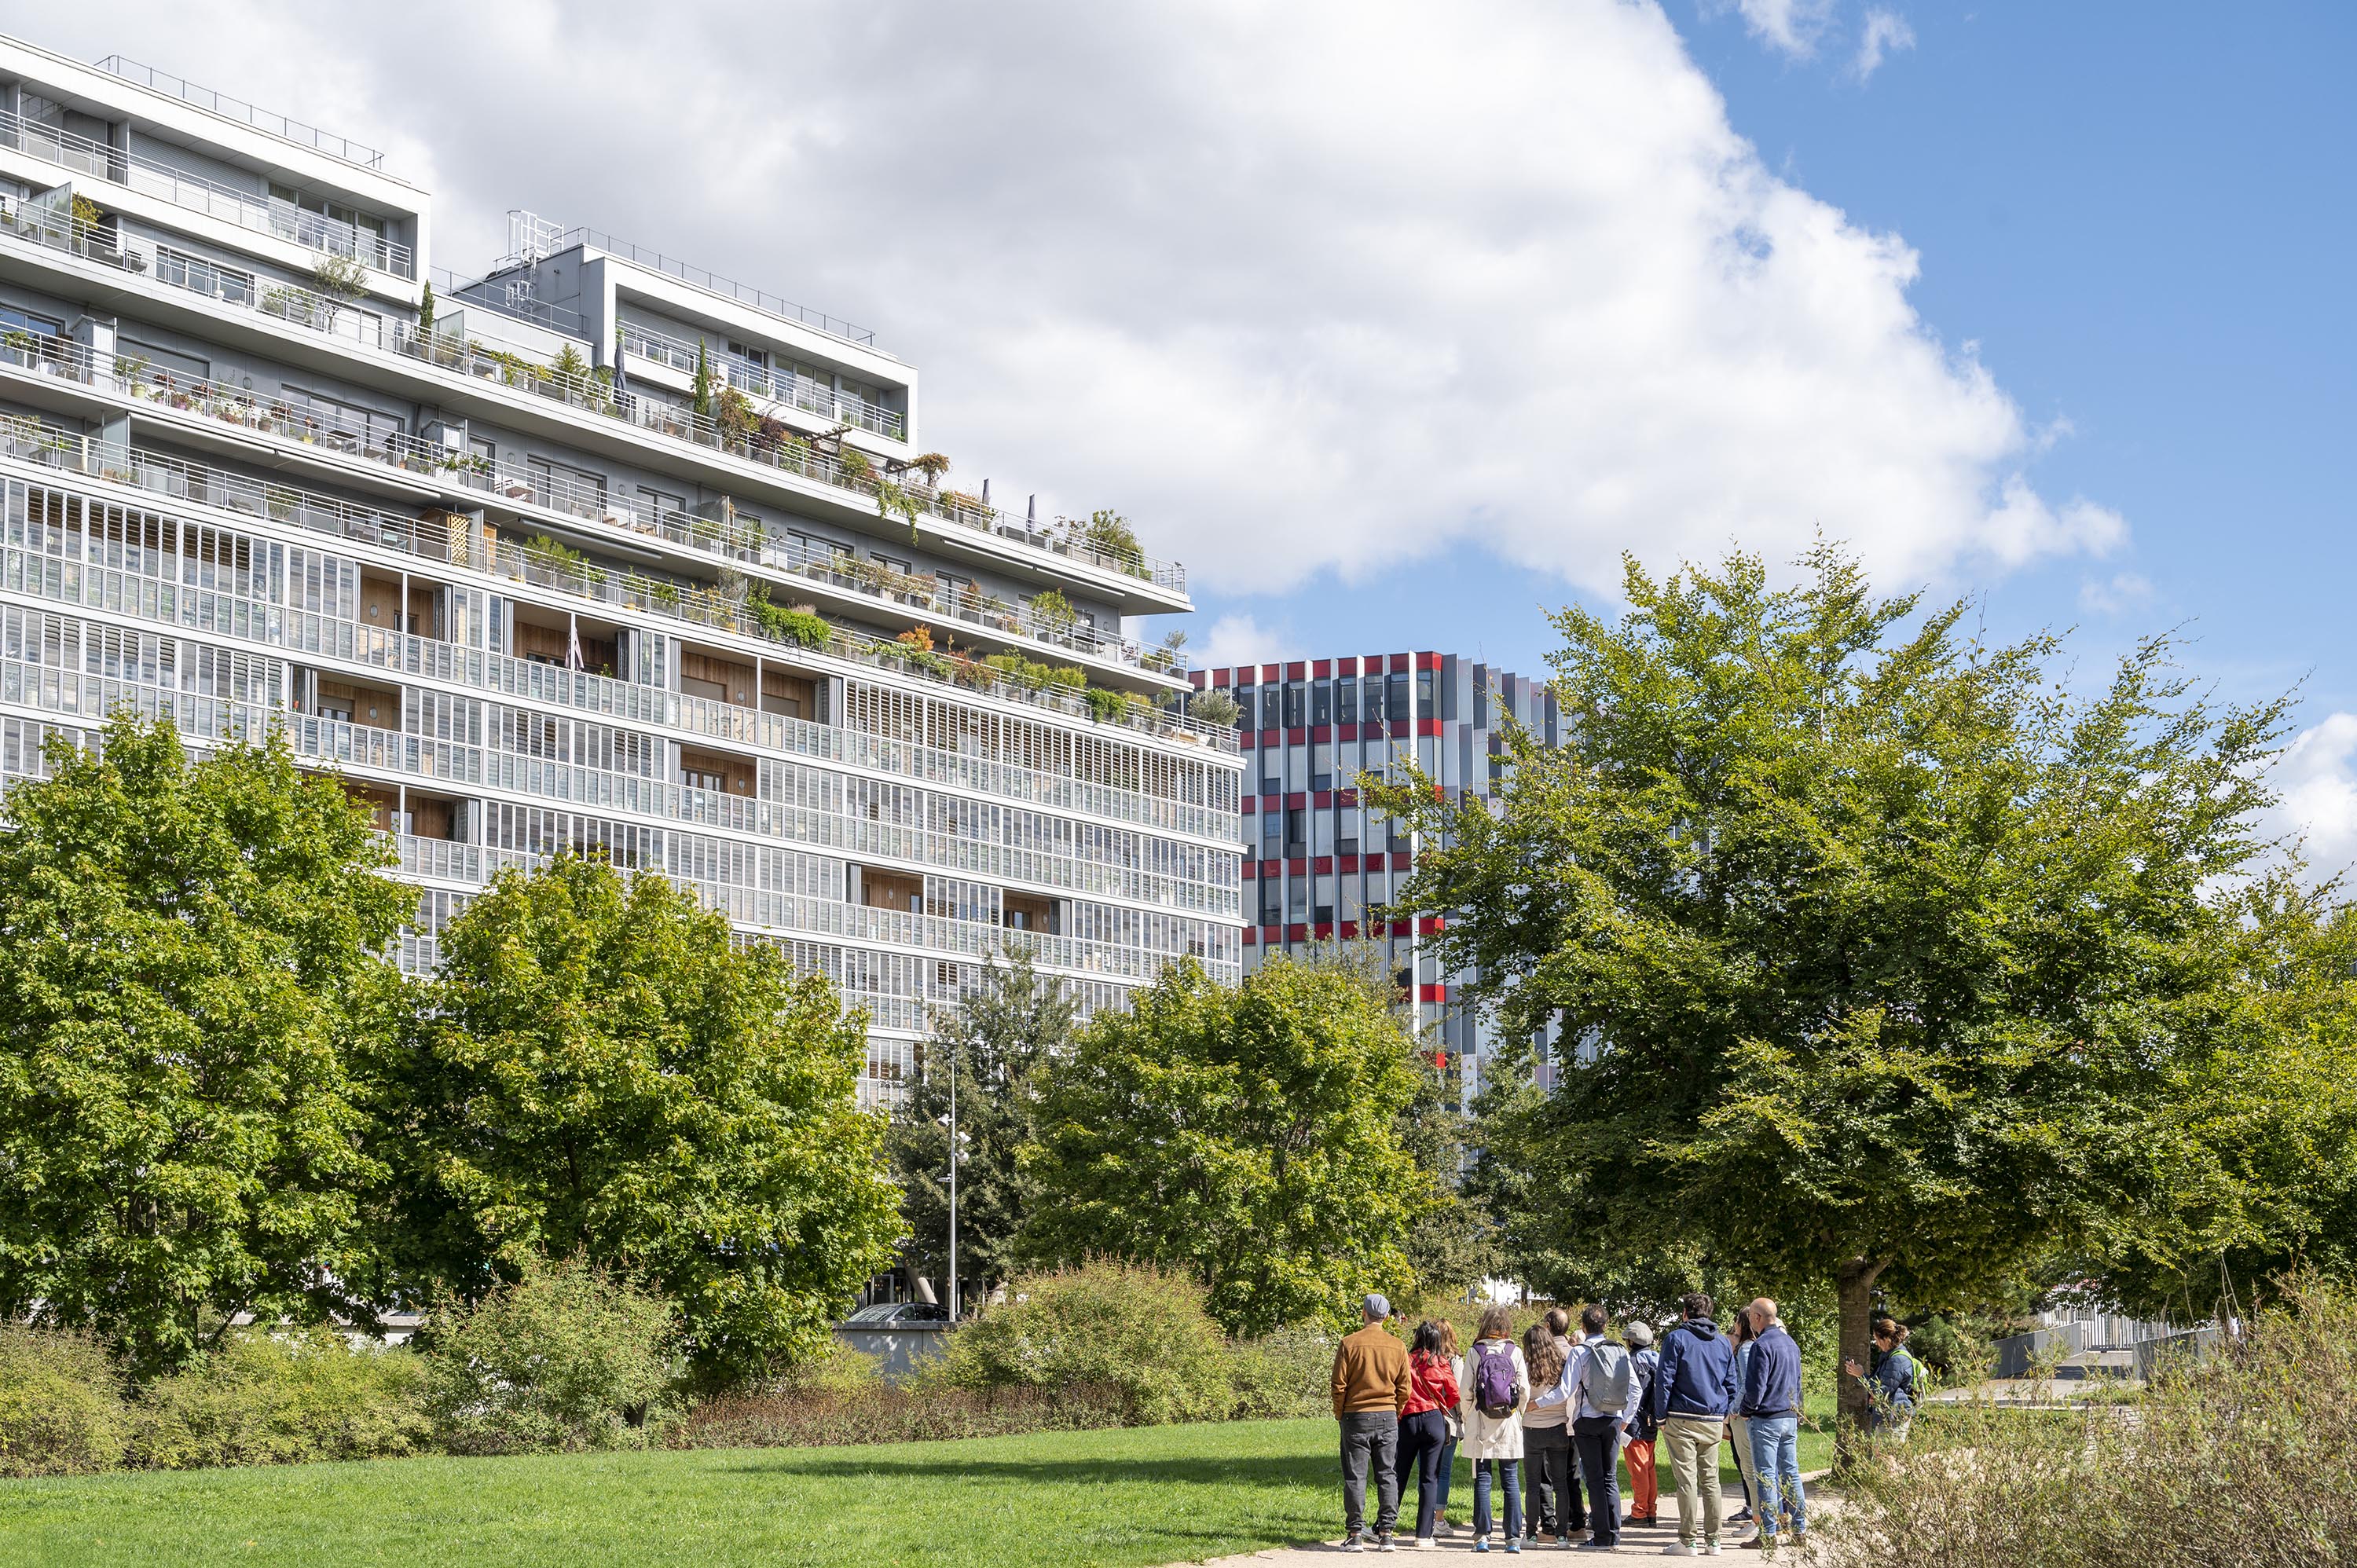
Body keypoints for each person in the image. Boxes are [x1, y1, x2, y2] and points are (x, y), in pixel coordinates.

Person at [1652, 1291, 1739, 1557]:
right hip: (1712, 1418)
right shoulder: (1723, 1343)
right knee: (1711, 1479)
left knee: (1687, 1481)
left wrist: (1660, 1416)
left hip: (1681, 1416)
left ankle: (1688, 1540)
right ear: (1710, 1313)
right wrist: (1723, 1412)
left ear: (1685, 1313)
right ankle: (1714, 1541)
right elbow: (1732, 1383)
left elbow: (1664, 1380)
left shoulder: (1676, 1338)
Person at [1332, 1292, 1413, 1552]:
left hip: (1356, 1415)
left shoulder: (1349, 1343)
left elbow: (1338, 1386)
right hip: (1388, 1414)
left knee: (1355, 1477)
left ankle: (1356, 1533)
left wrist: (1340, 1413)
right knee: (1388, 1474)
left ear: (1363, 1314)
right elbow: (1405, 1388)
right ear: (1387, 1317)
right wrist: (1395, 1410)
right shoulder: (1398, 1346)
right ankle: (1387, 1533)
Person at [1564, 1303, 1640, 1552]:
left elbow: (1567, 1389)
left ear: (1584, 1326)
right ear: (1606, 1325)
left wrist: (1538, 1403)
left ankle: (1601, 1536)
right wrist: (1626, 1417)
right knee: (1610, 1478)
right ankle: (1614, 1534)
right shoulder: (1618, 1351)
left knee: (1595, 1479)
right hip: (1613, 1420)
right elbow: (1635, 1389)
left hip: (1587, 1419)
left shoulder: (1580, 1352)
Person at [1736, 1299, 1806, 1552]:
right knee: (1791, 1473)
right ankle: (1799, 1529)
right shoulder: (1791, 1344)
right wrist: (1799, 1412)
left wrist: (1745, 1411)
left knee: (1766, 1477)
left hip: (1766, 1418)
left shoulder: (1761, 1346)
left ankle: (1768, 1533)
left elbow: (1756, 1387)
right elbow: (1798, 1384)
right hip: (1789, 1416)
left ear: (1756, 1318)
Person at [1461, 1304, 1530, 1554]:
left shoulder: (1475, 1351)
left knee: (1483, 1480)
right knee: (1510, 1480)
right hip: (1508, 1421)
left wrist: (1468, 1415)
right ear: (1506, 1327)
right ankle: (1512, 1538)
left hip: (1481, 1420)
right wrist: (1517, 1412)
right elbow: (1524, 1390)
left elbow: (1465, 1391)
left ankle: (1482, 1537)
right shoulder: (1515, 1351)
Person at [1402, 1321, 1462, 1547]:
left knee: (1399, 1475)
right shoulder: (1441, 1362)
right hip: (1434, 1419)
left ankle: (1384, 1527)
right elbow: (1455, 1393)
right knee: (1430, 1478)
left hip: (1408, 1418)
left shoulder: (1406, 1360)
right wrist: (1442, 1404)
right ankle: (1424, 1535)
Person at [1520, 1318, 1578, 1545]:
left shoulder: (1525, 1366)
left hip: (1532, 1428)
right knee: (1561, 1484)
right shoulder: (1561, 1363)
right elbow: (1565, 1392)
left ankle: (1532, 1534)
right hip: (1558, 1427)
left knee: (1533, 1485)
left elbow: (1523, 1396)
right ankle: (1562, 1535)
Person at [1845, 1320, 1921, 1442]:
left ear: (1886, 1339)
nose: (1876, 1344)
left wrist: (1861, 1375)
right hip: (1890, 1414)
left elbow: (1882, 1390)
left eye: (1877, 1339)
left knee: (1888, 1456)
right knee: (1882, 1455)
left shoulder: (1897, 1360)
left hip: (1895, 1415)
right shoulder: (1890, 1356)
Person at [1622, 1321, 1662, 1529]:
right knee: (1649, 1468)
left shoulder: (1631, 1362)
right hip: (1652, 1420)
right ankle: (1651, 1511)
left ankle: (1639, 1512)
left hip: (1634, 1421)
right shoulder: (1656, 1359)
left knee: (1637, 1469)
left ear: (1631, 1341)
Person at [1725, 1312, 1759, 1533]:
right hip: (1756, 1415)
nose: (1734, 1326)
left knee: (1749, 1469)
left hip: (1742, 1416)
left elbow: (1745, 1384)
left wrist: (1733, 1409)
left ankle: (1759, 1521)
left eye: (1736, 1322)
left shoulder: (1746, 1348)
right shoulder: (1757, 1345)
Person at [1434, 1319, 1466, 1537]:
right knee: (1443, 1473)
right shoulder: (1455, 1361)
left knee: (1428, 1473)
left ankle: (1426, 1517)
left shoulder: (1422, 1358)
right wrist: (1464, 1418)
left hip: (1425, 1418)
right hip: (1449, 1422)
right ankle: (1439, 1520)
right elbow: (1459, 1394)